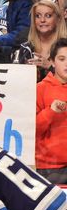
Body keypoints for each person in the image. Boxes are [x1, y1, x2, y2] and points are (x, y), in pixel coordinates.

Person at [36, 38, 67, 183]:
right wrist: (51, 111)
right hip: (49, 168)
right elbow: (31, 130)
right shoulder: (40, 89)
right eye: (62, 59)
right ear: (53, 62)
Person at [12, 0, 67, 82]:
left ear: (58, 19)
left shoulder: (65, 46)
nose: (42, 20)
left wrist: (50, 67)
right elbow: (13, 77)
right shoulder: (25, 48)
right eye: (38, 16)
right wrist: (24, 71)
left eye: (48, 16)